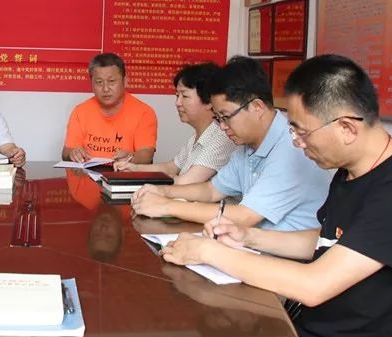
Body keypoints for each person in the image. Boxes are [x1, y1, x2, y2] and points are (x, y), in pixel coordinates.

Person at [160, 55, 392, 337]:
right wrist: (247, 237)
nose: (296, 142)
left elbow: (314, 285)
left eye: (302, 131)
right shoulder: (351, 171)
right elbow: (327, 240)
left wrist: (208, 252)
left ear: (347, 128)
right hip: (304, 334)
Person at [132, 56, 329, 231]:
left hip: (286, 254)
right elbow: (211, 191)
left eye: (226, 117)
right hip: (253, 243)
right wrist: (163, 191)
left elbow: (246, 215)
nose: (222, 126)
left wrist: (167, 206)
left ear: (257, 107)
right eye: (218, 118)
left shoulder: (291, 146)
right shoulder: (247, 144)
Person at [114, 62, 236, 184]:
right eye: (177, 95)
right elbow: (171, 167)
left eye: (185, 96)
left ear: (209, 101)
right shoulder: (197, 136)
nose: (178, 103)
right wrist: (133, 168)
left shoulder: (221, 136)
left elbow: (185, 182)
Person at [62, 53, 158, 164]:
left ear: (125, 81)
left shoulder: (144, 113)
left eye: (111, 81)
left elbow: (146, 156)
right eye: (99, 82)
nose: (106, 89)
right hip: (88, 174)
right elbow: (66, 153)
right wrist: (73, 153)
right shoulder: (80, 111)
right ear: (92, 84)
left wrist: (131, 157)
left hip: (125, 173)